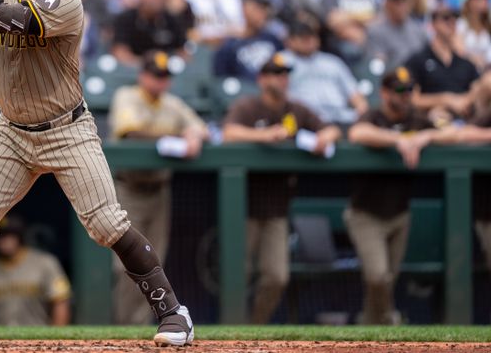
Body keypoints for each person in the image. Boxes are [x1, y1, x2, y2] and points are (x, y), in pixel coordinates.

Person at [0, 0, 195, 346]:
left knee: (107, 225)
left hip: (67, 130)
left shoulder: (68, 1)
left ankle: (174, 313)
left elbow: (8, 21)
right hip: (12, 133)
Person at [222, 53, 340, 323]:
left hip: (277, 206)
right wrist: (263, 135)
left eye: (285, 74)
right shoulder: (249, 106)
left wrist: (324, 138)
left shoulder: (296, 109)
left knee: (277, 275)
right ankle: (230, 328)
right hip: (244, 204)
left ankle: (253, 327)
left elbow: (332, 130)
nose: (281, 79)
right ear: (262, 79)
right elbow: (228, 133)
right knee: (238, 273)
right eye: (275, 74)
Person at [347, 66, 459, 324]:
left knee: (387, 281)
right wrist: (397, 140)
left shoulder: (416, 119)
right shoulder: (373, 115)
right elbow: (357, 133)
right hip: (365, 213)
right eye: (399, 90)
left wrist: (424, 136)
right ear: (385, 93)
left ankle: (369, 331)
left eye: (409, 90)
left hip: (400, 214)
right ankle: (389, 321)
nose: (405, 96)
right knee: (377, 276)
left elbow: (453, 133)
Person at [108, 50, 208, 325]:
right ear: (143, 75)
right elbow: (131, 132)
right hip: (129, 188)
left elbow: (202, 129)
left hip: (159, 190)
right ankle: (124, 327)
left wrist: (193, 134)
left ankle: (141, 326)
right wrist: (178, 135)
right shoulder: (127, 96)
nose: (160, 82)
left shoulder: (172, 104)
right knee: (125, 264)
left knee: (154, 262)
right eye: (155, 76)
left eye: (164, 77)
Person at [0, 214, 72, 326]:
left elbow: (60, 301)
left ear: (20, 237)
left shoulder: (45, 263)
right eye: (0, 236)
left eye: (10, 235)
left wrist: (57, 337)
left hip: (37, 337)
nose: (5, 240)